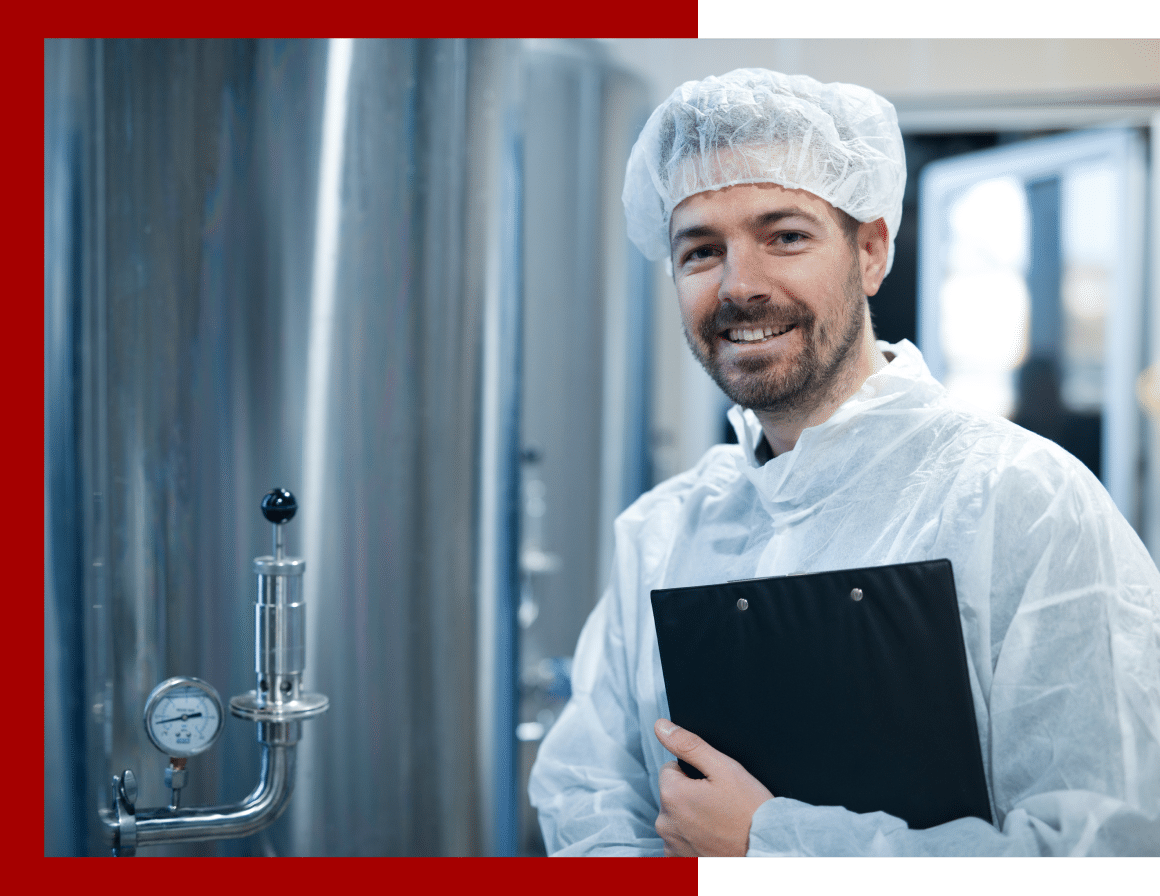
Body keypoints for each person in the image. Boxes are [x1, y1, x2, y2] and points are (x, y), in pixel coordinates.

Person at [527, 68, 1160, 857]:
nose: (739, 285)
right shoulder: (661, 534)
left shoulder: (1022, 501)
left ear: (869, 252)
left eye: (784, 235)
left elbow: (1105, 851)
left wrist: (771, 844)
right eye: (700, 250)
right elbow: (590, 798)